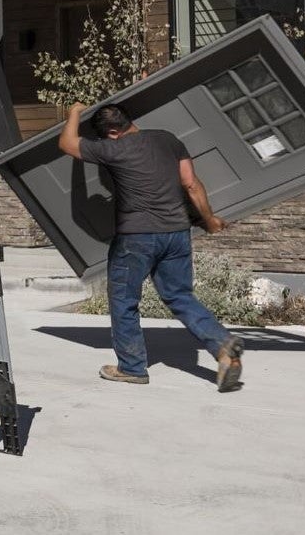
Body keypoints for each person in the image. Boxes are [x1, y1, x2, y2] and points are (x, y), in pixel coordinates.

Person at [58, 102, 244, 392]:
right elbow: (191, 184)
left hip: (136, 237)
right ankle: (222, 347)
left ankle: (131, 368)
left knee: (123, 299)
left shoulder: (113, 149)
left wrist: (74, 113)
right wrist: (209, 219)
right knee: (180, 296)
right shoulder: (168, 139)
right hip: (176, 233)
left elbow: (67, 143)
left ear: (113, 133)